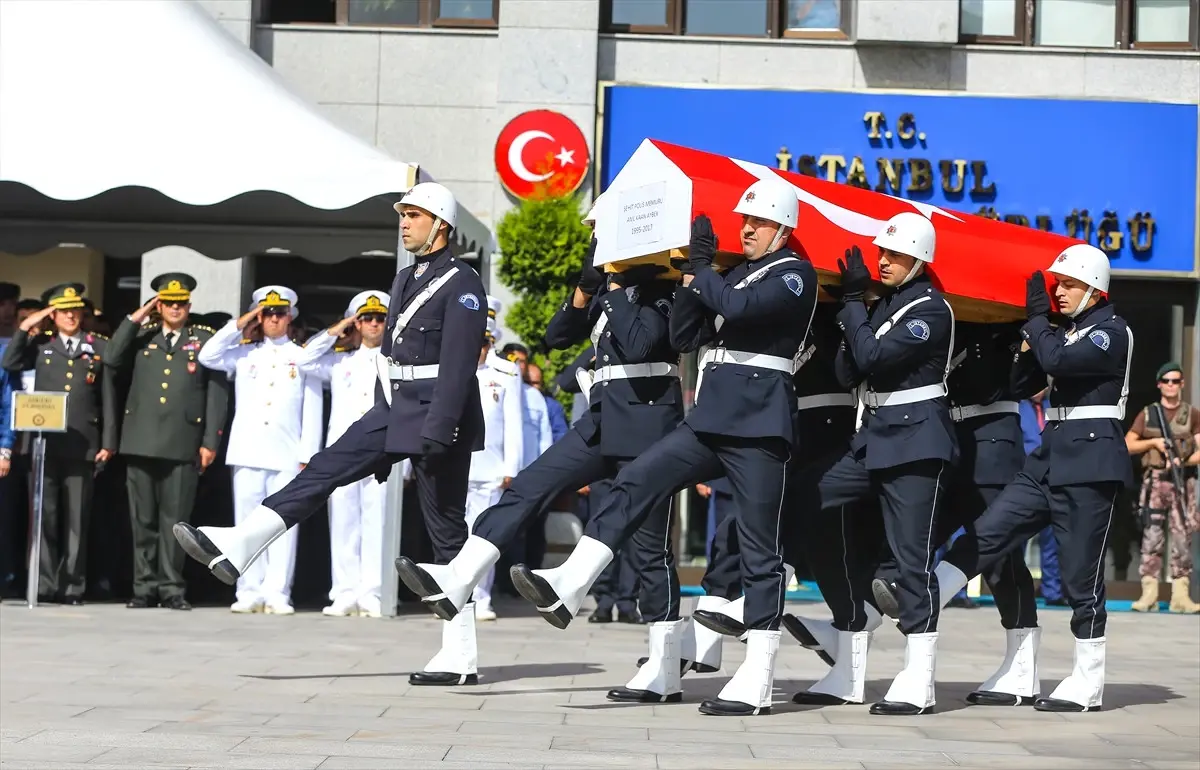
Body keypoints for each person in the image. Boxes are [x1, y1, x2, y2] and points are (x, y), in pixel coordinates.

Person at [507, 176, 818, 717]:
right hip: (711, 418)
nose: (746, 229)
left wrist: (699, 273)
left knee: (759, 545)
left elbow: (740, 312)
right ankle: (571, 580)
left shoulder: (794, 274)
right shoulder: (732, 273)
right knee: (636, 480)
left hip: (760, 424)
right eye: (743, 221)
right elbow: (684, 337)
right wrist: (684, 283)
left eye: (759, 222)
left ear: (783, 229)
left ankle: (759, 672)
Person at [177, 182, 488, 687]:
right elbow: (390, 361)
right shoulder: (406, 277)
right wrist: (388, 431)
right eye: (402, 215)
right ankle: (242, 544)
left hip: (438, 416)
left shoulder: (463, 282)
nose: (403, 223)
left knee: (446, 530)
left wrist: (437, 430)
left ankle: (460, 654)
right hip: (395, 409)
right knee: (325, 466)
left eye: (413, 215)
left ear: (440, 225)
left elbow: (455, 366)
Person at [393, 228, 683, 699]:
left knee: (650, 551)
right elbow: (555, 336)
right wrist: (585, 289)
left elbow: (640, 343)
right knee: (529, 485)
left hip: (649, 424)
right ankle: (460, 572)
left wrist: (611, 291)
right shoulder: (606, 290)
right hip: (603, 420)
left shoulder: (665, 291)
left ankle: (664, 667)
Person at [899, 243, 1133, 714]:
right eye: (1057, 284)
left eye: (1068, 285)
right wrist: (1031, 339)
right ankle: (924, 603)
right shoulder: (1063, 332)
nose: (1058, 292)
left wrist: (1034, 323)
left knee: (1078, 577)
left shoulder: (1111, 330)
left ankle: (1087, 682)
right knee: (988, 532)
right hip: (1047, 460)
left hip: (1090, 462)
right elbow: (1025, 384)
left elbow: (1063, 364)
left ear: (1094, 289)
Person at [194, 284, 325, 615]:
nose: (274, 319)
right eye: (267, 313)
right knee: (247, 524)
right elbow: (207, 355)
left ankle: (278, 591)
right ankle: (248, 589)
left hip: (286, 453)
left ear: (290, 318)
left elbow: (312, 407)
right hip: (248, 451)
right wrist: (241, 323)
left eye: (280, 314)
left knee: (281, 525)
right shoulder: (243, 353)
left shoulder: (301, 356)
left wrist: (308, 454)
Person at [103, 273, 228, 610]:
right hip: (140, 440)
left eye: (181, 303)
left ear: (189, 306)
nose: (175, 308)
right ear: (158, 305)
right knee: (141, 519)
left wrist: (210, 441)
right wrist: (137, 317)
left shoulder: (202, 339)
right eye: (168, 303)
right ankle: (144, 587)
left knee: (175, 521)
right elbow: (111, 358)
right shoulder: (142, 336)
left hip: (183, 441)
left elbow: (216, 392)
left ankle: (172, 587)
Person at [1, 283, 117, 605]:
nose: (70, 316)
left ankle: (73, 586)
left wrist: (108, 441)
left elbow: (107, 398)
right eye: (63, 311)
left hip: (83, 443)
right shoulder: (40, 345)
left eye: (75, 311)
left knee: (77, 520)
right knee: (45, 518)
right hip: (44, 445)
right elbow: (10, 362)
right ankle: (45, 583)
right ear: (54, 315)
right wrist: (27, 326)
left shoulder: (97, 347)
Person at [296, 290, 394, 618]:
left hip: (383, 455)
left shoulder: (396, 362)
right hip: (342, 454)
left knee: (377, 523)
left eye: (380, 318)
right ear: (357, 322)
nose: (374, 324)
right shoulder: (340, 361)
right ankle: (344, 591)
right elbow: (304, 360)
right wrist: (336, 330)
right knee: (343, 523)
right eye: (367, 318)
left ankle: (373, 592)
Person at [466, 297, 524, 621]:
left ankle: (483, 598)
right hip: (457, 467)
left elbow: (514, 424)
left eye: (485, 342)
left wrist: (511, 468)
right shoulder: (452, 369)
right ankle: (457, 595)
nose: (480, 348)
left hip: (491, 468)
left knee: (485, 535)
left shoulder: (505, 373)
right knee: (457, 535)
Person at [1125, 361, 1200, 614]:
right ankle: (1149, 593)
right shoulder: (1149, 413)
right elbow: (1128, 444)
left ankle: (1180, 595)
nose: (1171, 385)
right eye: (1166, 380)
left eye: (1175, 381)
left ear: (1182, 384)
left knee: (1182, 537)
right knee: (1152, 536)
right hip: (1155, 483)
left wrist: (1182, 461)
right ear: (1159, 384)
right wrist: (1154, 443)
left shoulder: (1191, 414)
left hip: (1182, 482)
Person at [1019, 389, 1065, 606]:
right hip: (1024, 479)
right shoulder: (1018, 406)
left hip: (1052, 478)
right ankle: (1015, 588)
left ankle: (1052, 591)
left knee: (1051, 540)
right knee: (1017, 537)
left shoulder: (1053, 406)